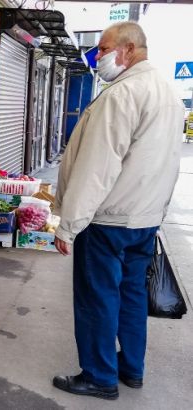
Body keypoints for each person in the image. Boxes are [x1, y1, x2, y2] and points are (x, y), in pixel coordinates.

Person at [52, 22, 183, 400]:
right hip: (144, 218)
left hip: (109, 219)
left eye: (104, 48)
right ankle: (131, 369)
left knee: (97, 297)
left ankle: (98, 376)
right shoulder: (168, 95)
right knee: (131, 296)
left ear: (128, 49)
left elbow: (97, 168)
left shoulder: (121, 95)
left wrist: (69, 226)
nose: (98, 57)